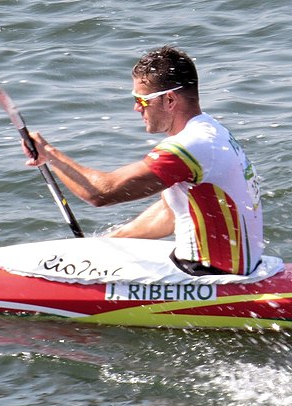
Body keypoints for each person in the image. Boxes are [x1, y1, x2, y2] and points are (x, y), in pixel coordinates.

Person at [22, 45, 263, 276]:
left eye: (142, 100)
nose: (136, 108)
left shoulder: (191, 145)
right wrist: (108, 243)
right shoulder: (210, 130)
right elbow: (170, 213)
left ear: (170, 100)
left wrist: (49, 153)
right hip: (235, 269)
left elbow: (100, 193)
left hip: (206, 274)